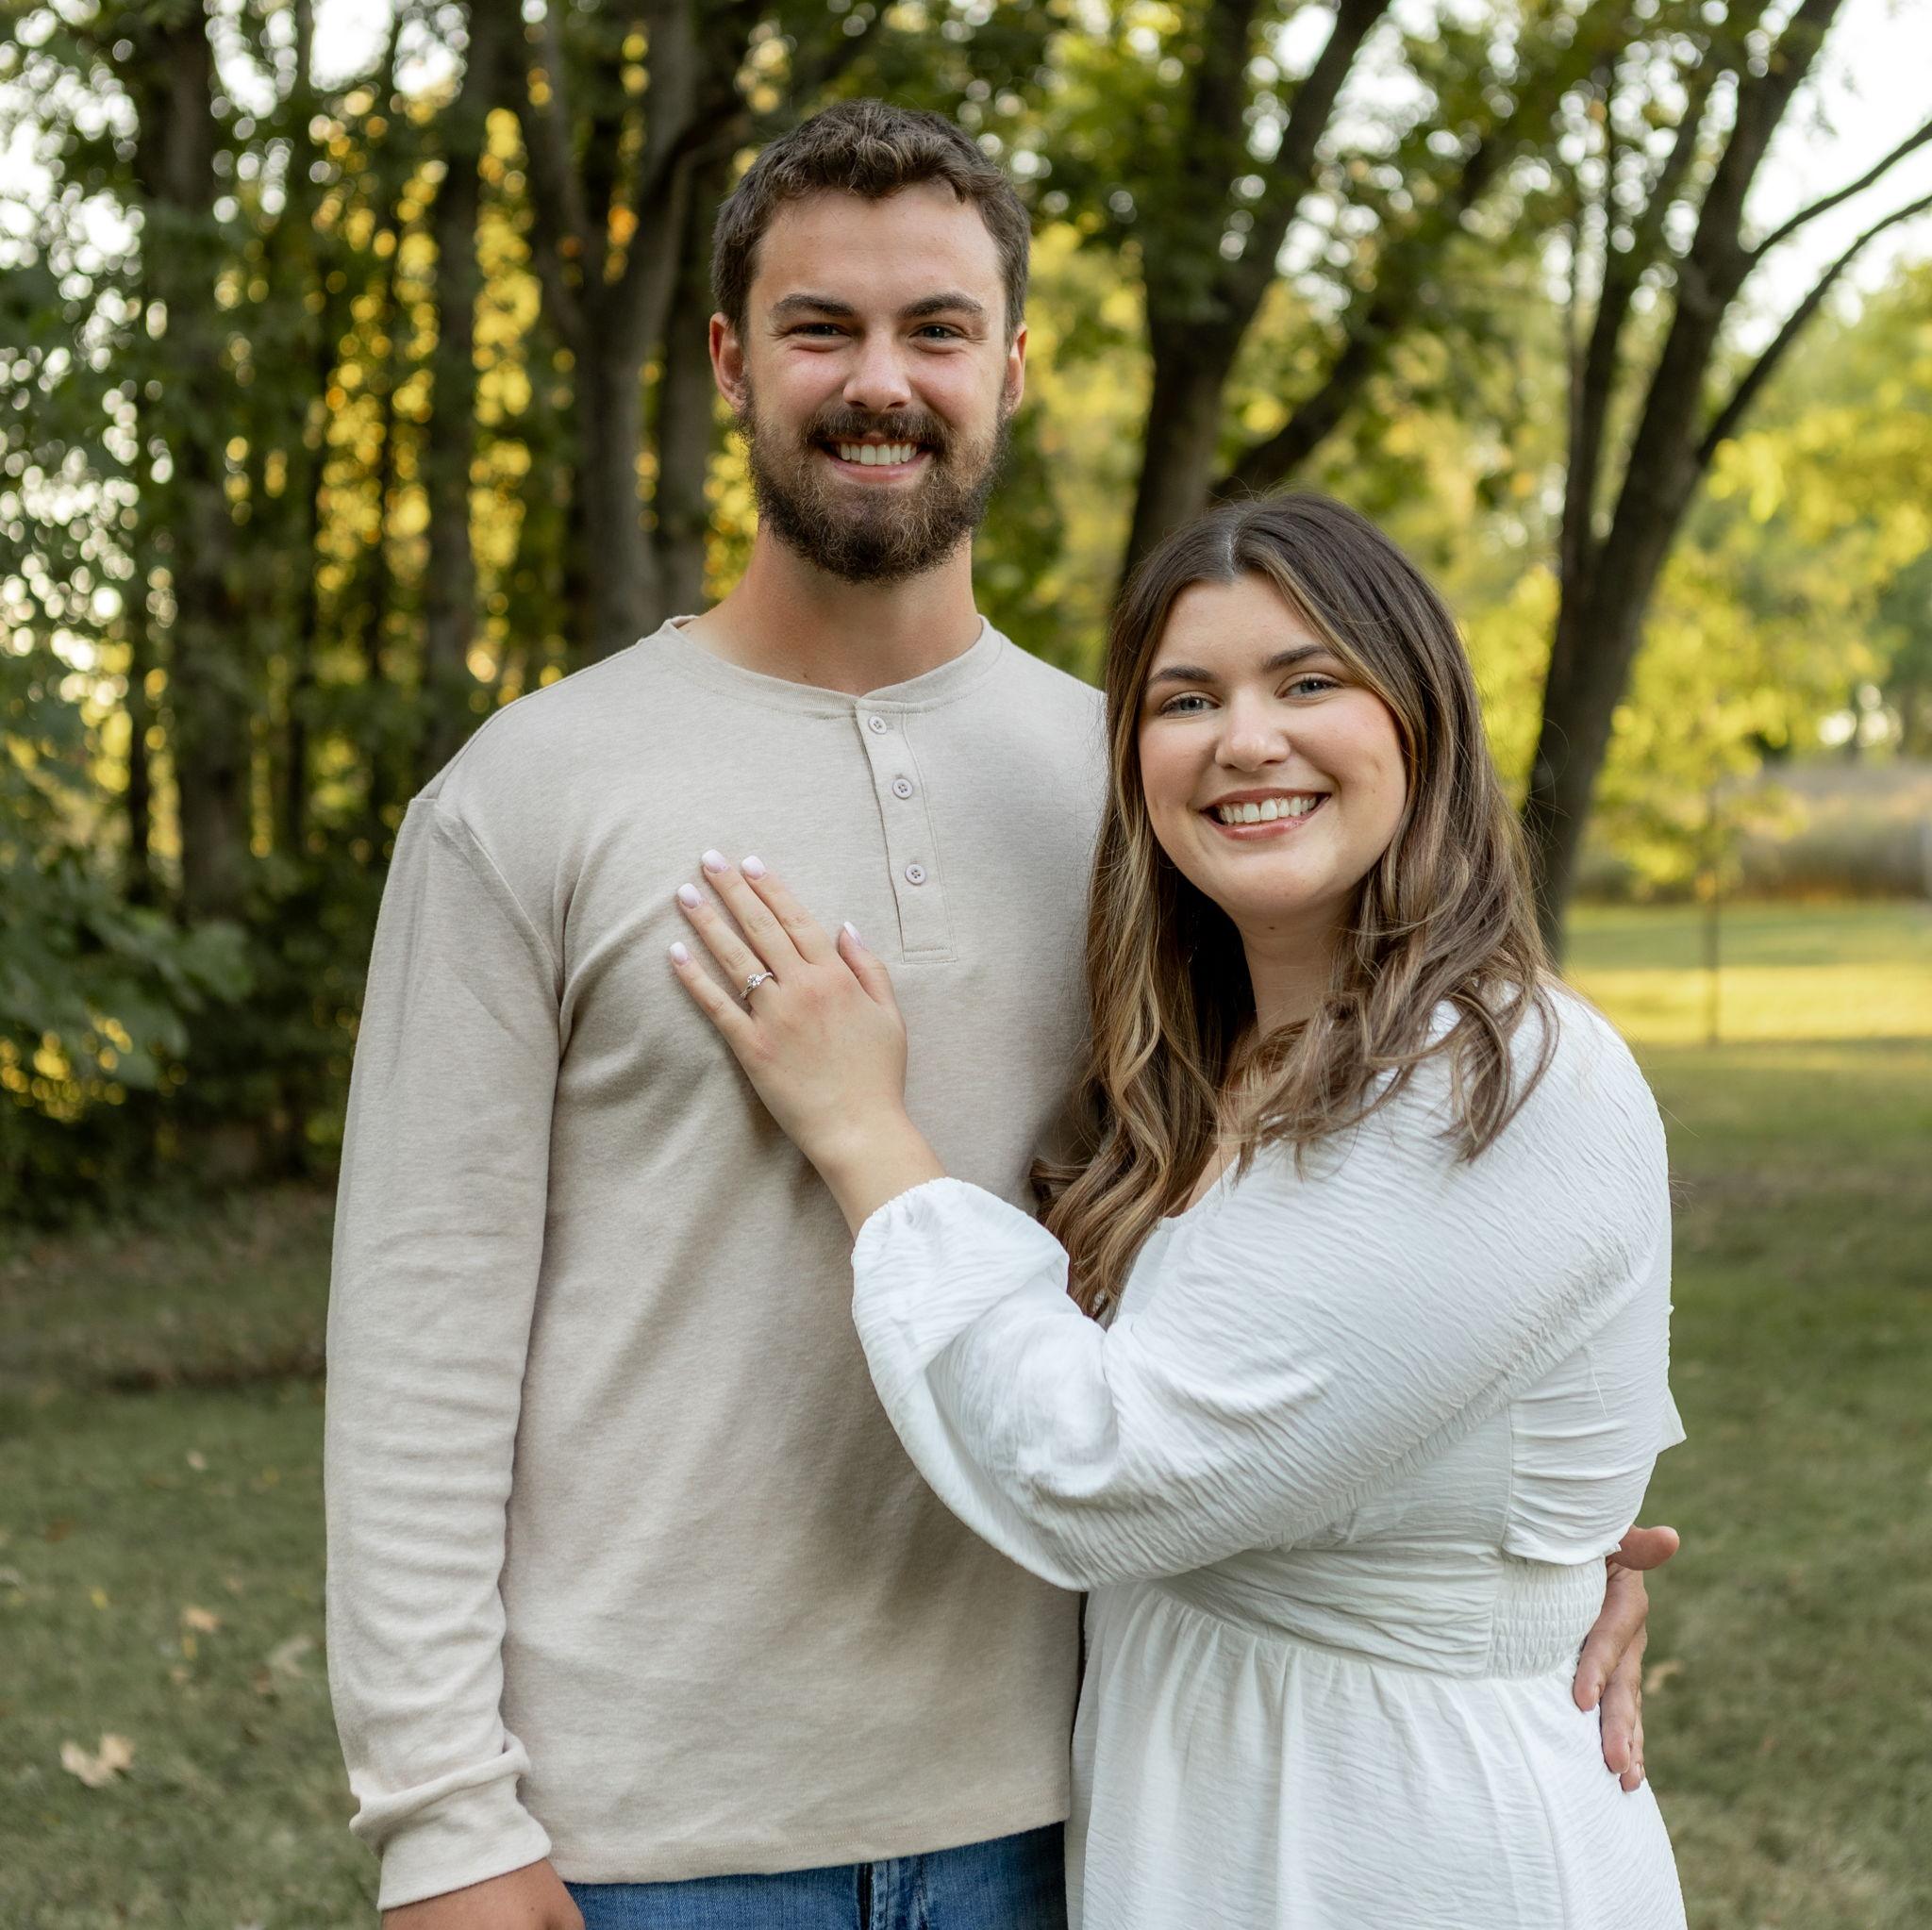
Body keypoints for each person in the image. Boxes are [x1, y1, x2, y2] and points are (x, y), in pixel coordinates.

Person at [324, 101, 1673, 1930]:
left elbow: (1340, 1232)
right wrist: (441, 1819)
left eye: (937, 329)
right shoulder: (527, 795)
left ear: (1012, 367)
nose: (880, 381)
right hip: (655, 1833)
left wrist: (1525, 1550)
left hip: (1070, 1798)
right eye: (821, 328)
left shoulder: (1148, 795)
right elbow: (420, 1339)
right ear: (729, 361)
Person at [667, 491, 1690, 1929]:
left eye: (1309, 681)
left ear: (1423, 720)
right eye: (1186, 698)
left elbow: (1115, 1467)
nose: (1245, 739)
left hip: (1403, 1838)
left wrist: (863, 1131)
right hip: (1214, 1809)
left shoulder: (1501, 1073)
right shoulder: (1217, 1069)